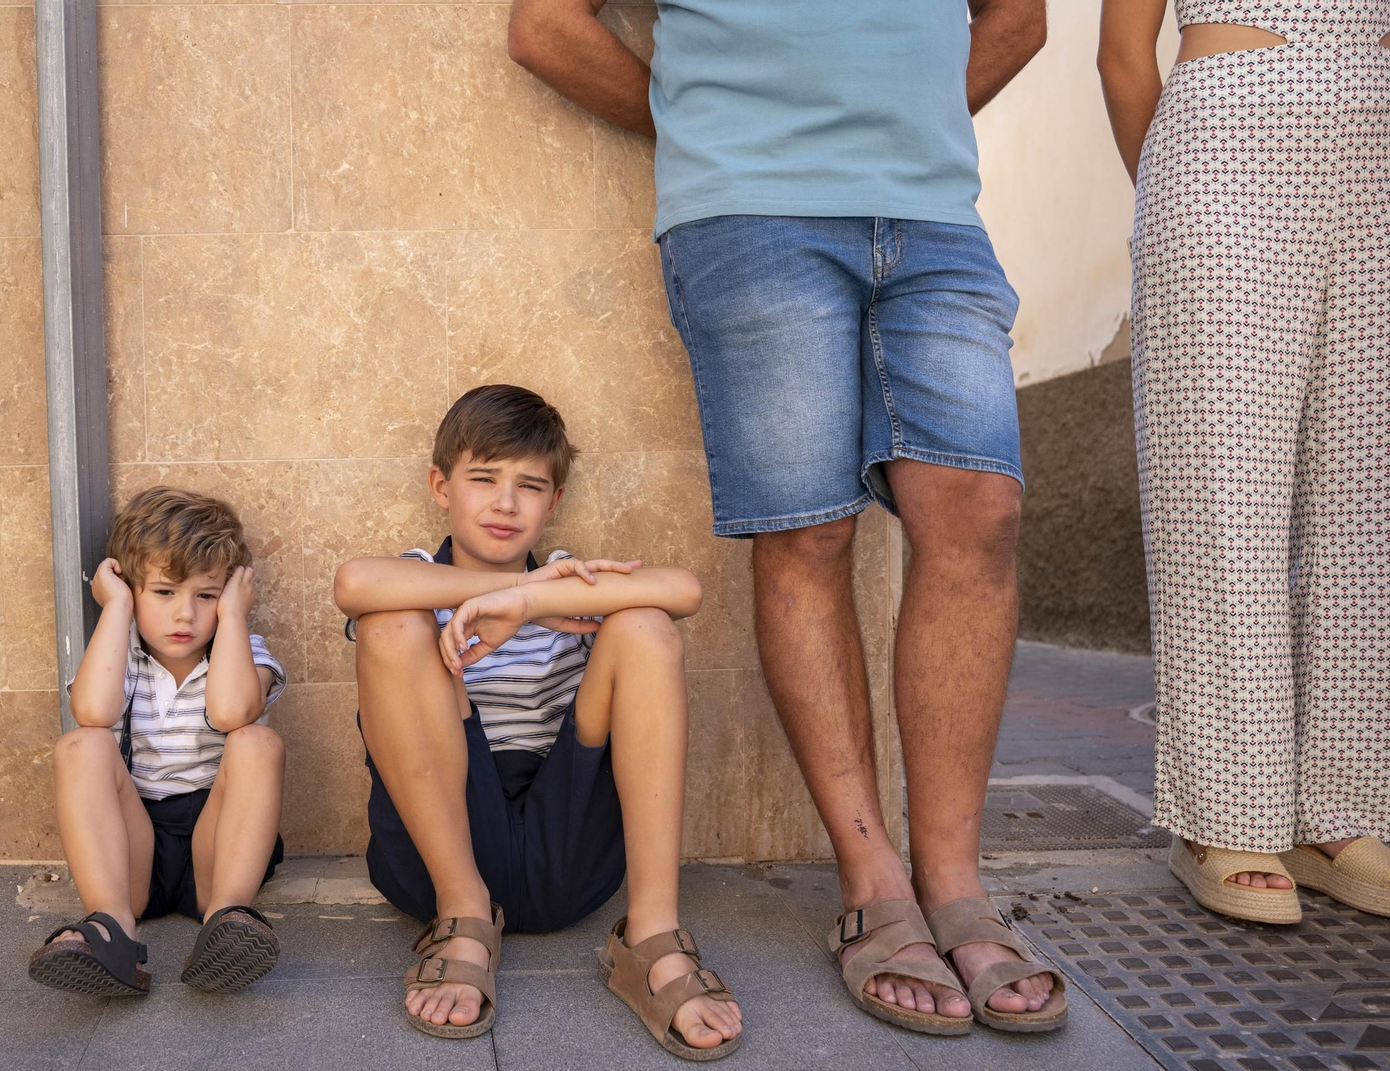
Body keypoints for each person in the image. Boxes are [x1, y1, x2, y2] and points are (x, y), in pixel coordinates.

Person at [508, 0, 1063, 1035]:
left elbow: (1018, 19)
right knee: (808, 529)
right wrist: (706, 127)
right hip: (751, 210)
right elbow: (546, 27)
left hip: (933, 212)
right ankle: (873, 888)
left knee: (979, 511)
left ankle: (956, 887)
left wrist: (904, 122)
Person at [333, 384, 744, 1059]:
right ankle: (464, 918)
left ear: (553, 503)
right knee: (391, 626)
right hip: (436, 859)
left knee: (645, 626)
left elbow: (683, 591)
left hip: (566, 846)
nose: (506, 502)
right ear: (440, 486)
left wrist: (533, 602)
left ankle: (652, 937)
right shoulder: (418, 575)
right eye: (484, 478)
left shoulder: (565, 581)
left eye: (529, 486)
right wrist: (511, 591)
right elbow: (354, 584)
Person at [1100, 0, 1390, 923]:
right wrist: (1177, 194)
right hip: (1228, 137)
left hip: (1377, 144)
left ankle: (1337, 809)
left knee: (1367, 501)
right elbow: (1122, 54)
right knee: (1221, 491)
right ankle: (1224, 813)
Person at [28, 486, 289, 995]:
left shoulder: (244, 651)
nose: (185, 614)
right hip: (133, 849)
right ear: (132, 589)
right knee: (82, 745)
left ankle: (226, 921)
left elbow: (232, 712)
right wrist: (116, 607)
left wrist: (235, 618)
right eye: (164, 592)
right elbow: (93, 712)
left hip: (217, 845)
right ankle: (112, 929)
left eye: (206, 595)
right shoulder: (117, 653)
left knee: (257, 742)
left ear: (231, 594)